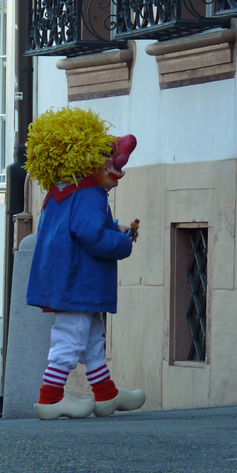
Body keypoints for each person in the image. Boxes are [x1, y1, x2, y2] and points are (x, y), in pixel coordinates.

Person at [23, 106, 146, 419]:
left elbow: (73, 227)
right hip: (79, 278)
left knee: (91, 334)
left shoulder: (63, 189)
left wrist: (112, 227)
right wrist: (122, 242)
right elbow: (91, 235)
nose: (117, 164)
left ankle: (105, 394)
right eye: (109, 155)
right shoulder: (90, 193)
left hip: (63, 275)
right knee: (72, 332)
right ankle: (49, 398)